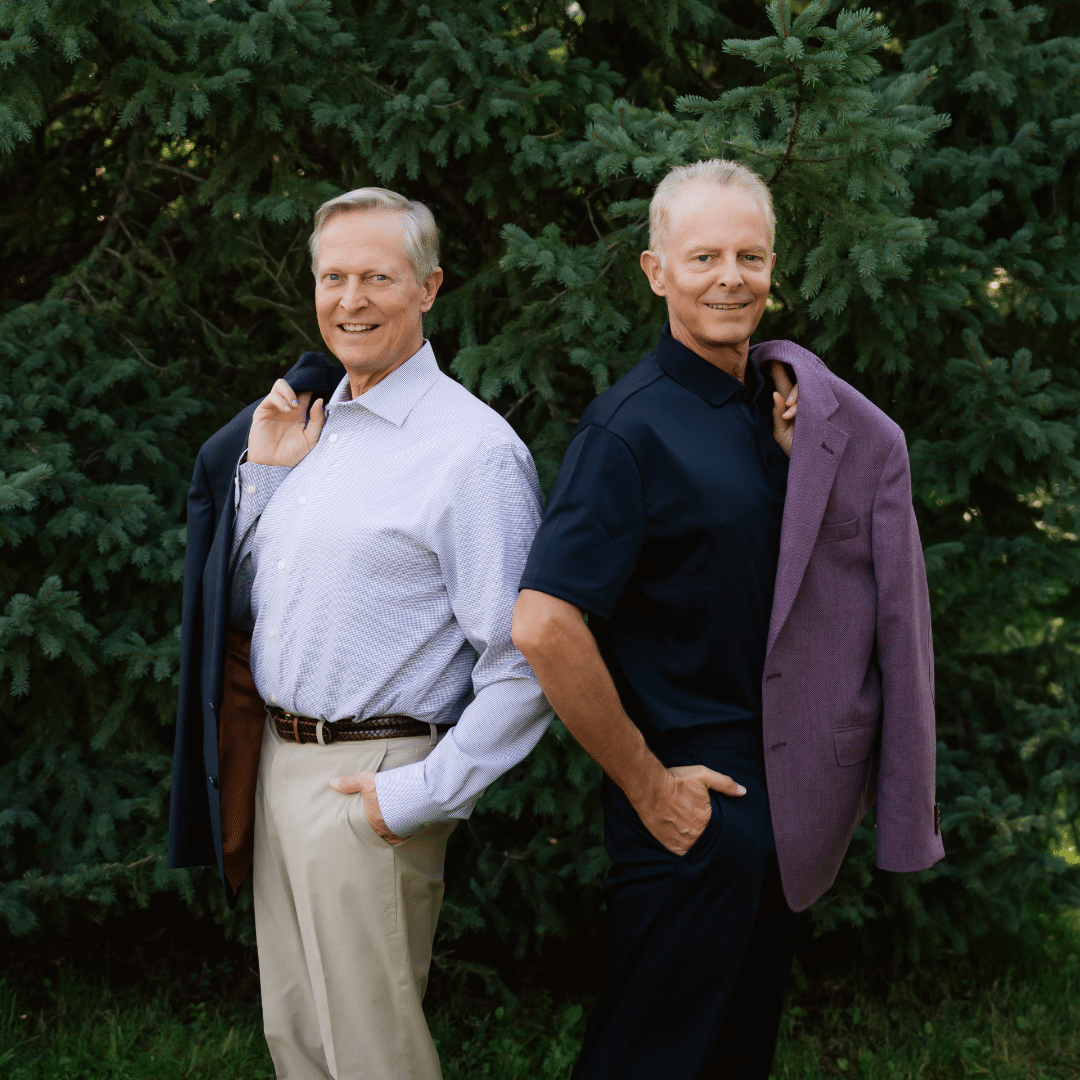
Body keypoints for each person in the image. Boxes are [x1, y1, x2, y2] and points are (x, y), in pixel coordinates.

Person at [511, 159, 945, 1079]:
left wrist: (793, 469)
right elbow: (545, 626)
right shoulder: (627, 430)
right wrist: (649, 786)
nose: (730, 277)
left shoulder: (781, 412)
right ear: (655, 270)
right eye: (703, 255)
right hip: (688, 820)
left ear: (774, 267)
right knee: (646, 1062)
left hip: (778, 821)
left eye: (750, 256)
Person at [169, 187, 553, 1080]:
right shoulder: (311, 424)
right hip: (279, 765)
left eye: (377, 276)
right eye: (332, 276)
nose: (351, 300)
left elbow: (522, 661)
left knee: (376, 1060)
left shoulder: (474, 453)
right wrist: (263, 480)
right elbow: (261, 600)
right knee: (297, 1042)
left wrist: (422, 795)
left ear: (428, 287)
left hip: (372, 779)